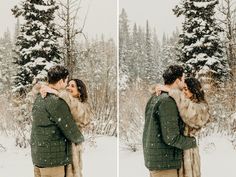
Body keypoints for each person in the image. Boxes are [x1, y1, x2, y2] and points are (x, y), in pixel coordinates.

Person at [142, 65, 197, 177]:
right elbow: (171, 138)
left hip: (157, 161)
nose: (184, 82)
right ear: (177, 80)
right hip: (165, 165)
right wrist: (192, 142)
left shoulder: (154, 97)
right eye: (183, 79)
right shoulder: (168, 101)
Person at [30, 65, 84, 177]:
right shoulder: (56, 102)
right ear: (60, 81)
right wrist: (80, 138)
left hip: (39, 158)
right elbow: (71, 131)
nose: (66, 85)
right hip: (53, 162)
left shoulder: (39, 98)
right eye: (66, 81)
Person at [154, 77, 211, 177]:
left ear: (194, 91)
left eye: (186, 89)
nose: (183, 92)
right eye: (182, 89)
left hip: (189, 153)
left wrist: (172, 91)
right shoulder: (182, 102)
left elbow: (191, 113)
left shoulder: (202, 106)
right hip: (178, 149)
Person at [39, 79, 92, 177]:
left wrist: (56, 92)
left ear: (80, 91)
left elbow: (79, 114)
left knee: (72, 171)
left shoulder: (84, 106)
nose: (68, 88)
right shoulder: (64, 100)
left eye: (73, 86)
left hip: (73, 145)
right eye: (68, 85)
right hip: (60, 145)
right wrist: (42, 88)